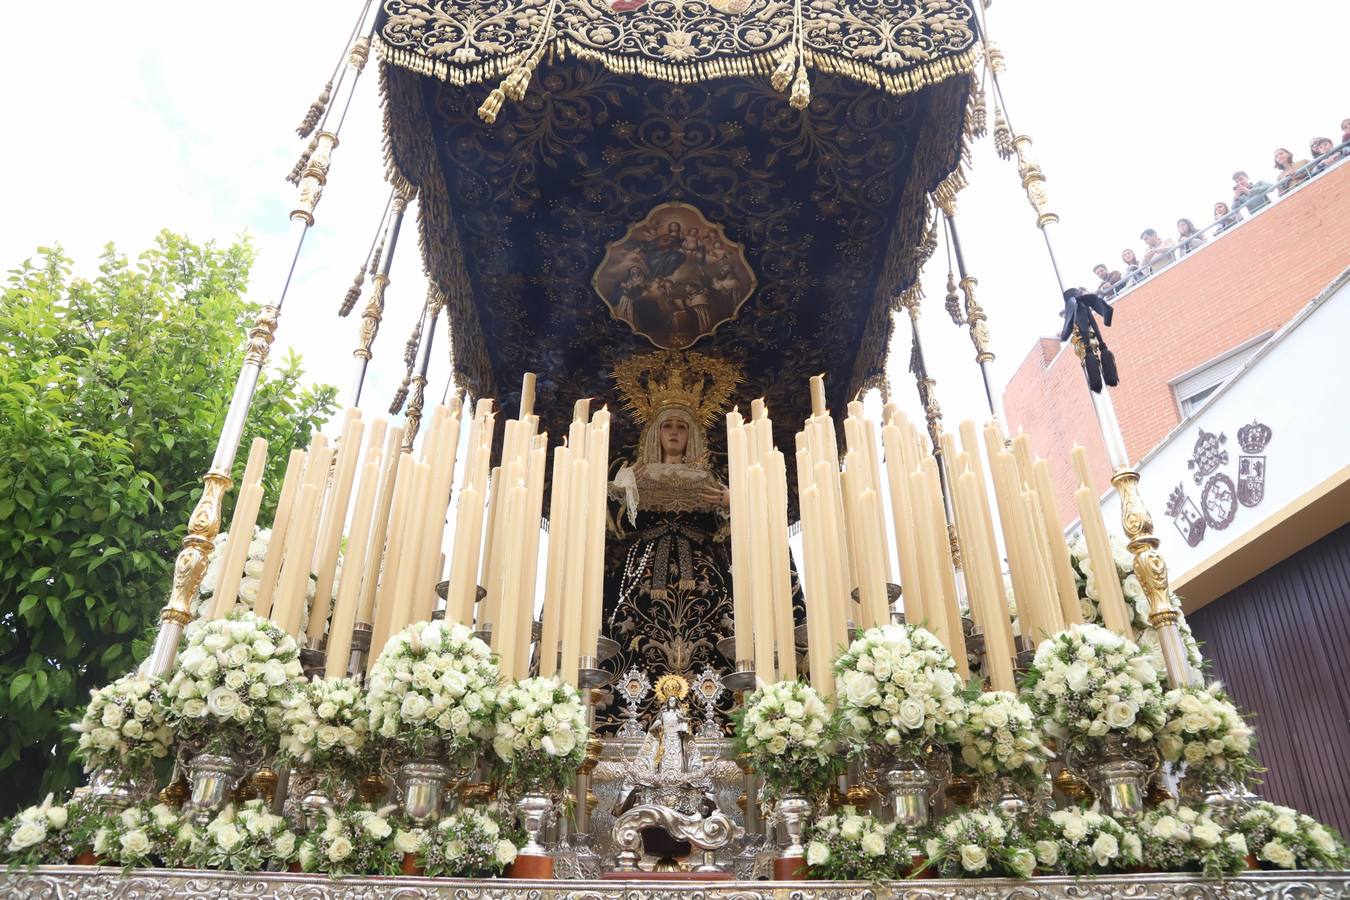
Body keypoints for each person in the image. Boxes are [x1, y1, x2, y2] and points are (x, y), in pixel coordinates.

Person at [597, 378, 735, 733]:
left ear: (692, 435)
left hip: (702, 573)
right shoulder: (632, 473)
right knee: (625, 626)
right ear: (655, 434)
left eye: (681, 427)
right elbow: (612, 524)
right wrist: (623, 488)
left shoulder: (709, 475)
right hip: (643, 570)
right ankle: (631, 718)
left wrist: (728, 501)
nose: (674, 434)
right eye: (667, 427)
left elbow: (727, 527)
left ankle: (713, 714)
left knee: (722, 632)